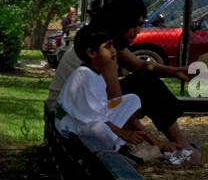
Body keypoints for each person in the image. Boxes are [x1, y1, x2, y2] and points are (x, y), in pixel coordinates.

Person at [49, 0, 196, 160]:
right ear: (120, 21)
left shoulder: (104, 42)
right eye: (135, 25)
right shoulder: (100, 51)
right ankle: (182, 148)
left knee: (142, 84)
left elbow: (141, 65)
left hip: (79, 111)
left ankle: (178, 146)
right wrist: (148, 138)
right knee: (145, 84)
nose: (138, 31)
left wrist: (176, 71)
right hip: (69, 117)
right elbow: (112, 103)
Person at [55, 20, 145, 156]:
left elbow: (102, 110)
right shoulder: (83, 75)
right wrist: (124, 133)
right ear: (91, 52)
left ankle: (116, 144)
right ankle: (117, 147)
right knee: (99, 128)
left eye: (113, 45)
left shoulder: (97, 74)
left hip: (91, 122)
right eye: (108, 46)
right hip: (73, 129)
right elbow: (94, 120)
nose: (114, 51)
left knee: (133, 100)